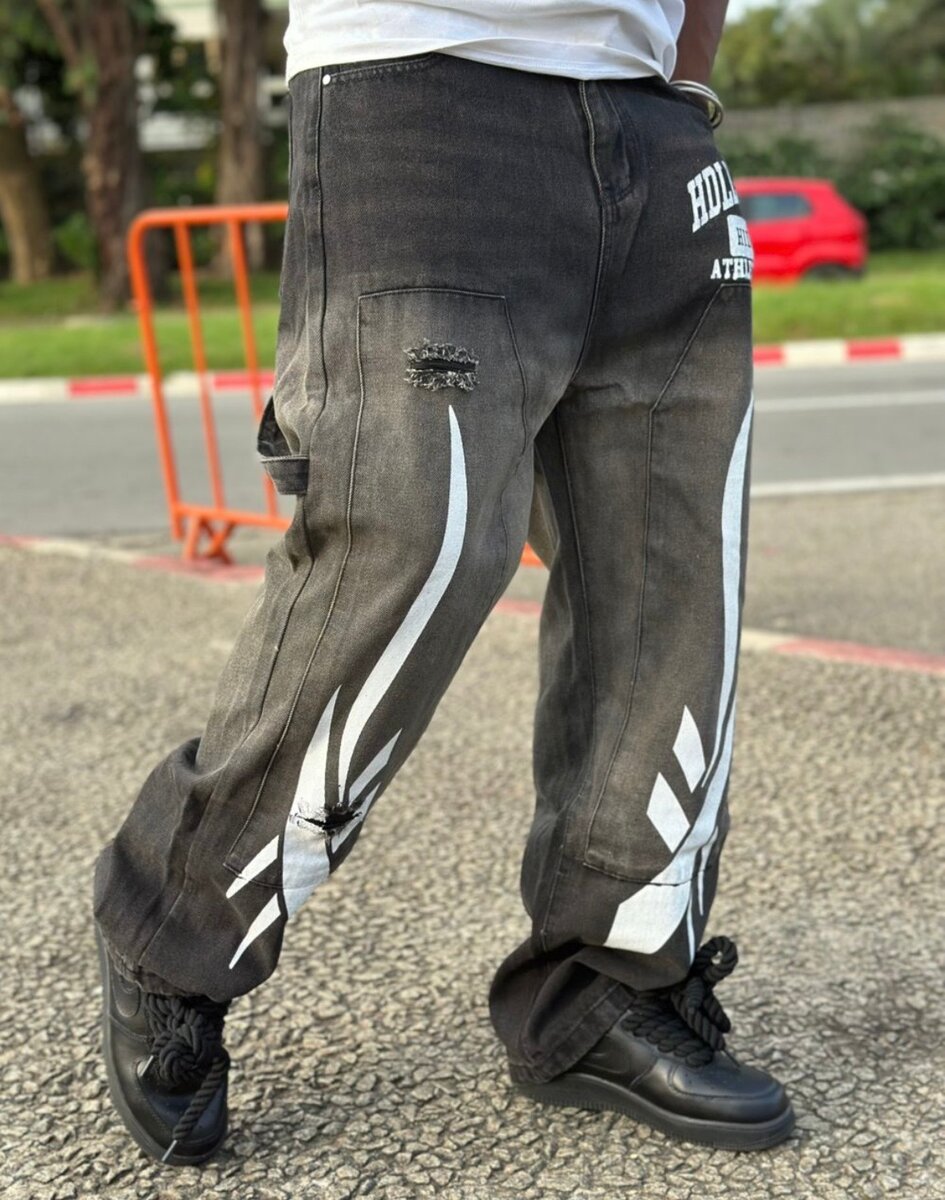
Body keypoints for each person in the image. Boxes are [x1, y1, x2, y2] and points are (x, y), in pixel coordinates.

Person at [93, 0, 795, 1167]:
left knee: (674, 568)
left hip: (654, 124)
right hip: (418, 87)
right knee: (414, 543)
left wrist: (679, 85)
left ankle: (607, 983)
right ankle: (173, 925)